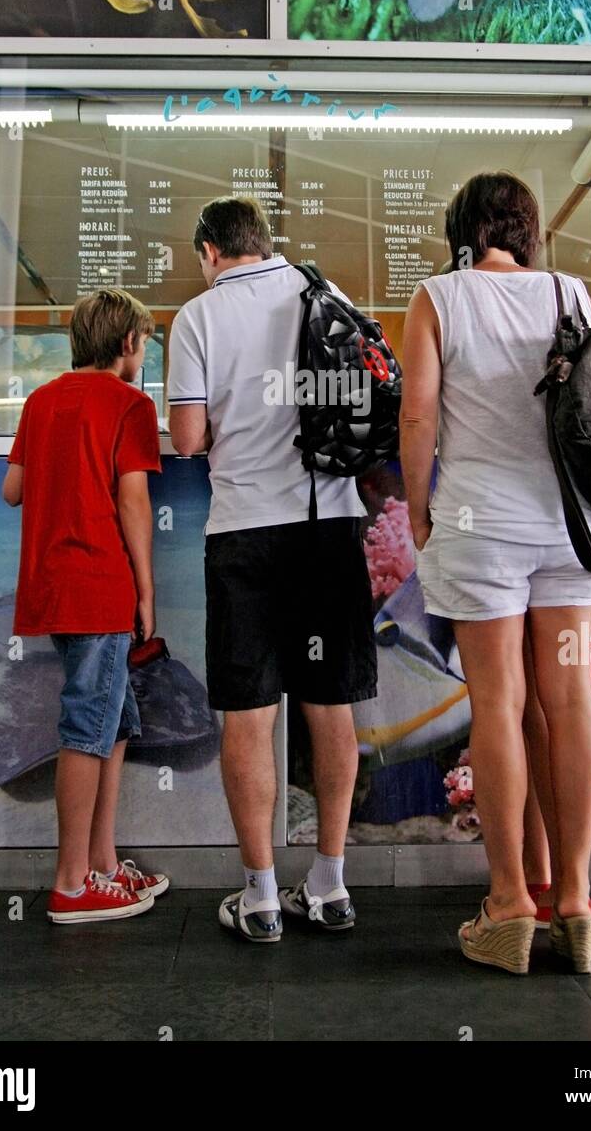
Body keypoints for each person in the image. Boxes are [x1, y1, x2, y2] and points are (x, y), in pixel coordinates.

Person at [401, 172, 591, 975]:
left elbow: (418, 413)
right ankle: (576, 900)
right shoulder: (572, 293)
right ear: (527, 230)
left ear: (462, 229)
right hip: (569, 525)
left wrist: (419, 510)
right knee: (570, 697)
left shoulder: (440, 296)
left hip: (479, 527)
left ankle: (507, 904)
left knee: (498, 702)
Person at [167, 196, 377, 942]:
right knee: (330, 705)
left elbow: (187, 439)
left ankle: (258, 896)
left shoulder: (198, 318)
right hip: (327, 529)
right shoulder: (328, 296)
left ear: (209, 251)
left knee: (249, 713)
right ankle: (328, 885)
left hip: (247, 535)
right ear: (265, 242)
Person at [3, 288, 169, 923]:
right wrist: (146, 590)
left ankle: (101, 863)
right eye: (146, 342)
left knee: (113, 723)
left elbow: (12, 490)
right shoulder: (129, 403)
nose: (145, 353)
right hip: (100, 588)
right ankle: (71, 885)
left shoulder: (40, 400)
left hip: (50, 590)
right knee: (85, 730)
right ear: (128, 343)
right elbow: (132, 502)